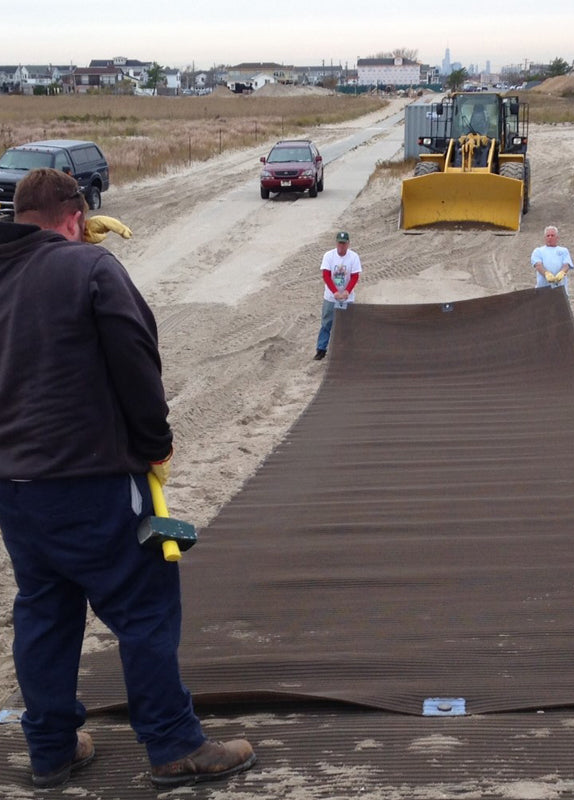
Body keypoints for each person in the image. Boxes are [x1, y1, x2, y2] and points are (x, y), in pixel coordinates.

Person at [0, 169, 255, 789]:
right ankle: (173, 745)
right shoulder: (89, 267)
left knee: (45, 610)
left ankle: (52, 749)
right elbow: (136, 357)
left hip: (16, 491)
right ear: (74, 217)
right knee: (145, 606)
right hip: (94, 478)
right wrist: (156, 444)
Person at [313, 230, 362, 360]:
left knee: (346, 325)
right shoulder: (329, 256)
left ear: (348, 244)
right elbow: (326, 275)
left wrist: (347, 291)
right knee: (326, 323)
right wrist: (334, 292)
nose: (341, 246)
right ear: (336, 243)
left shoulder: (353, 257)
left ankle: (345, 350)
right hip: (330, 296)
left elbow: (355, 276)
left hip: (347, 298)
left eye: (344, 244)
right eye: (340, 243)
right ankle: (321, 349)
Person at [531, 225, 574, 294]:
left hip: (560, 289)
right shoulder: (538, 251)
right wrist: (546, 274)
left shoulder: (564, 250)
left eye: (552, 235)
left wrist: (562, 273)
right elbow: (538, 265)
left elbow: (566, 265)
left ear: (557, 237)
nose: (550, 237)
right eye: (548, 236)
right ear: (545, 238)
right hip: (543, 289)